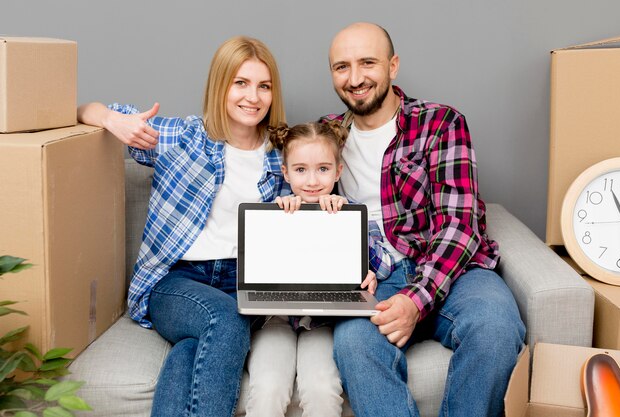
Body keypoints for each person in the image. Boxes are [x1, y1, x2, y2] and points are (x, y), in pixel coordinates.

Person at [77, 36, 287, 417]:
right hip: (178, 282)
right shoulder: (184, 137)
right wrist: (113, 120)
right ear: (220, 85)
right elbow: (84, 109)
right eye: (240, 83)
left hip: (246, 283)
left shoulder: (284, 156)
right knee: (226, 320)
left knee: (190, 350)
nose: (253, 97)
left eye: (264, 86)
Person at [323, 22, 526, 417]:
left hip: (454, 271)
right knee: (353, 342)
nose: (355, 78)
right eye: (341, 67)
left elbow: (460, 225)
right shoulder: (327, 135)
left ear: (393, 66)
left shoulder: (440, 122)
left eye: (368, 63)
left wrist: (416, 300)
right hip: (375, 278)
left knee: (496, 328)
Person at [244, 121, 390, 417]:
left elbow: (385, 263)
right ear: (285, 172)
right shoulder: (274, 208)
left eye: (323, 169)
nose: (312, 180)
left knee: (322, 387)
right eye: (300, 170)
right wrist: (278, 211)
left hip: (323, 322)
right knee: (269, 387)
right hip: (276, 319)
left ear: (338, 171)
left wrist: (367, 266)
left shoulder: (348, 211)